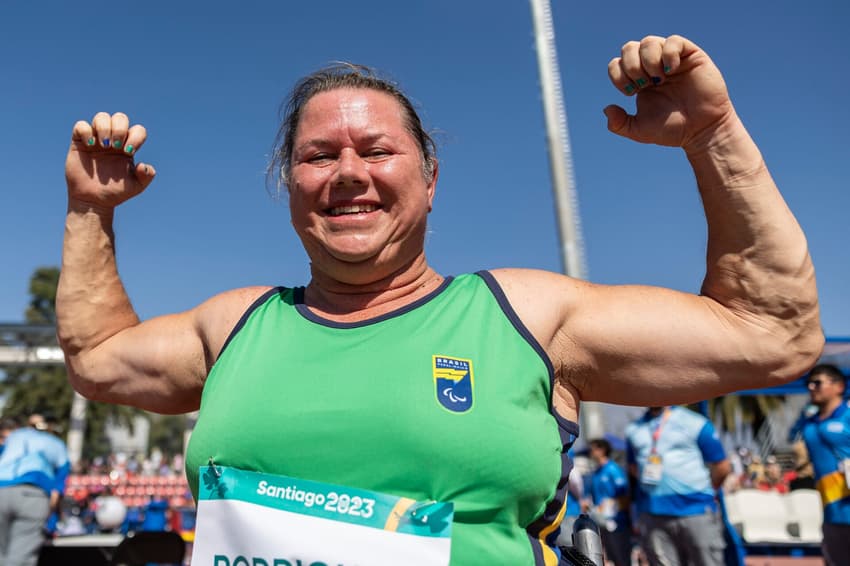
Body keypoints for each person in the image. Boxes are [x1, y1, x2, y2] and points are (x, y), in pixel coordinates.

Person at [57, 34, 823, 566]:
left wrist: (713, 134)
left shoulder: (527, 317)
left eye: (378, 151)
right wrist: (91, 209)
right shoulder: (234, 326)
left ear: (430, 182)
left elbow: (772, 333)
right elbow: (95, 360)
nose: (348, 173)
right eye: (317, 155)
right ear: (287, 187)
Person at [625, 406, 731, 566]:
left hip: (696, 510)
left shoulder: (695, 422)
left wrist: (705, 491)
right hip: (653, 513)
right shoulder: (633, 429)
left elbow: (722, 466)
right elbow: (633, 467)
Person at [0, 414, 70, 566]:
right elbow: (59, 486)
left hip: (2, 489)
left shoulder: (15, 436)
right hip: (33, 495)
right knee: (19, 559)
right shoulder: (57, 443)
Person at [800, 363, 850, 565]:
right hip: (831, 512)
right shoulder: (809, 424)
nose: (811, 387)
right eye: (809, 383)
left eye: (817, 383)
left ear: (839, 386)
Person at [583, 438, 631, 566]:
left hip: (617, 523)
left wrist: (611, 507)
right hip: (602, 522)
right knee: (611, 558)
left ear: (602, 450)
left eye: (593, 449)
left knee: (622, 558)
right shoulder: (596, 472)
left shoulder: (613, 469)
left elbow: (625, 496)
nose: (590, 452)